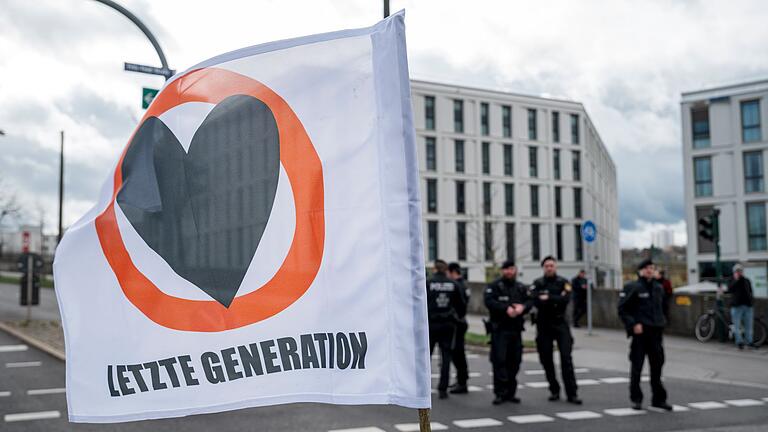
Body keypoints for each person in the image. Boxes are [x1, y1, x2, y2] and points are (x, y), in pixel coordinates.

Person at [618, 259, 672, 411]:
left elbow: (664, 307)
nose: (650, 270)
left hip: (656, 332)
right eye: (647, 268)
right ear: (640, 271)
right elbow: (622, 309)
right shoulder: (633, 287)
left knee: (657, 367)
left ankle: (659, 399)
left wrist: (663, 322)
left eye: (652, 268)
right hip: (640, 334)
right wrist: (633, 324)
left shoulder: (658, 288)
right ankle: (636, 398)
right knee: (637, 367)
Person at [531, 256, 582, 404]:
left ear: (556, 267)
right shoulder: (537, 283)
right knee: (546, 359)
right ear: (543, 268)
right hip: (544, 324)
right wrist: (553, 298)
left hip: (560, 323)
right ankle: (554, 389)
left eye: (552, 265)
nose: (549, 268)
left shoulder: (564, 283)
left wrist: (548, 298)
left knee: (566, 358)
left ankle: (572, 393)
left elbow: (565, 299)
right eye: (546, 266)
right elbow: (534, 299)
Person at [484, 260, 530, 405]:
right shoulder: (495, 286)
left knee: (515, 362)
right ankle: (500, 393)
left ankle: (511, 392)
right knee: (499, 361)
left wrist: (522, 308)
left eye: (511, 269)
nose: (509, 272)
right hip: (500, 330)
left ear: (515, 270)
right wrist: (506, 309)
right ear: (502, 271)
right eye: (506, 269)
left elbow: (530, 301)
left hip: (516, 330)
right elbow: (489, 301)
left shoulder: (520, 287)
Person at [426, 259, 467, 399]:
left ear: (435, 269)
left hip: (431, 324)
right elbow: (462, 305)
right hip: (448, 325)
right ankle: (442, 389)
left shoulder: (428, 283)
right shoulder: (453, 284)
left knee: (426, 358)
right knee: (446, 358)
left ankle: (423, 388)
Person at [447, 262, 470, 393]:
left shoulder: (457, 285)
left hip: (457, 323)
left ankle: (462, 382)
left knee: (457, 353)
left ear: (452, 272)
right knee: (458, 353)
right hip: (461, 322)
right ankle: (461, 380)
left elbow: (460, 305)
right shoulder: (464, 284)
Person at [728, 264, 755, 350]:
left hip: (748, 306)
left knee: (749, 326)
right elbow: (730, 289)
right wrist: (736, 279)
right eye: (737, 271)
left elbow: (750, 291)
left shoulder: (746, 280)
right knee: (736, 326)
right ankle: (739, 342)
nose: (739, 272)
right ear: (734, 272)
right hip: (737, 306)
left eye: (740, 271)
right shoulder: (732, 280)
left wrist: (751, 301)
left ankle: (749, 342)